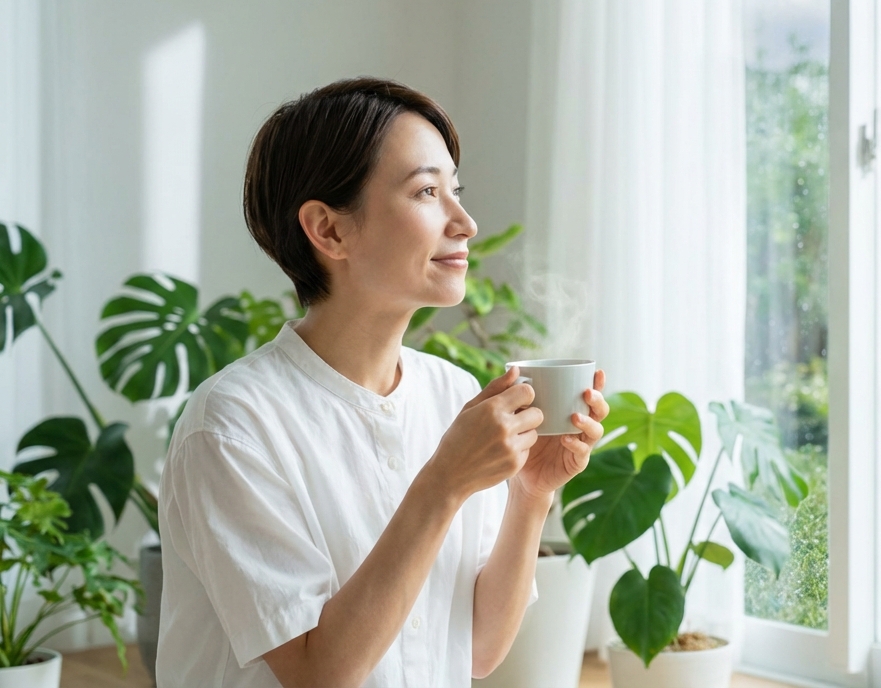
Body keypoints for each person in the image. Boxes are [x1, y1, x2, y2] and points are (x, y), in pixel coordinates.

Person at [157, 77, 607, 688]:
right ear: (329, 230)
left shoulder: (452, 395)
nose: (466, 222)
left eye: (457, 190)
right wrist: (444, 482)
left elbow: (473, 651)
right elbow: (322, 675)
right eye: (426, 191)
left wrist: (531, 494)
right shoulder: (232, 428)